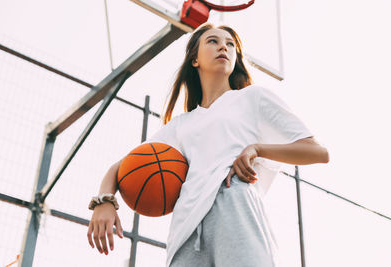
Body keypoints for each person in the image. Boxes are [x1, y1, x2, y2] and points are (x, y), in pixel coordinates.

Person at [87, 22, 329, 267]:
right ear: (195, 59)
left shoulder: (252, 98)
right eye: (213, 41)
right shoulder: (182, 125)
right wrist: (104, 202)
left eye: (230, 44)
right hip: (185, 233)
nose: (223, 46)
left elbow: (317, 151)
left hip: (234, 204)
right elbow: (122, 167)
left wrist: (257, 149)